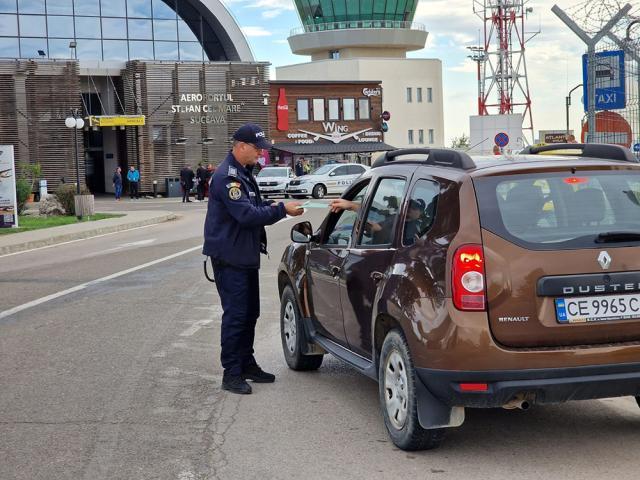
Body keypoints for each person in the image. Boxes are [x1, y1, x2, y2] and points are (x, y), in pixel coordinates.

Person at [203, 123, 303, 395]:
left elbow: (253, 208)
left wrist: (272, 207)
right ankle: (232, 372)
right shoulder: (228, 177)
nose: (261, 153)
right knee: (236, 316)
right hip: (230, 257)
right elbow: (246, 216)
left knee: (250, 314)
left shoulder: (244, 173)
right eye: (258, 149)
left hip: (243, 254)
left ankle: (246, 363)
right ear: (242, 146)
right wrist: (282, 210)